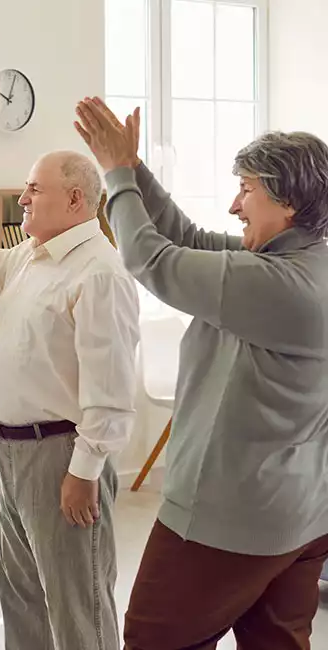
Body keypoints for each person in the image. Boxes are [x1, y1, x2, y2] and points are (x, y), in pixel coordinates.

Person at [76, 97, 328, 650]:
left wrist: (116, 175)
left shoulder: (281, 285)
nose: (236, 205)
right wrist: (134, 169)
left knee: (152, 640)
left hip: (228, 518)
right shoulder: (301, 261)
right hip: (299, 516)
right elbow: (184, 239)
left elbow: (152, 260)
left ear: (286, 201)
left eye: (247, 189)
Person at [0, 150, 139, 649]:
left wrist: (83, 473)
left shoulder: (99, 272)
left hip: (61, 455)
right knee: (21, 599)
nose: (22, 197)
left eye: (34, 189)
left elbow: (110, 391)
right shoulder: (28, 255)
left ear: (75, 199)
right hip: (11, 451)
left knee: (77, 605)